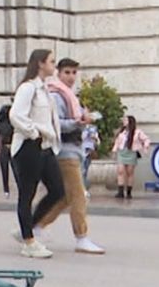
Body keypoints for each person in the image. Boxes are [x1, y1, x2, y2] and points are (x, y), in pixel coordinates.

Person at [33, 59, 105, 254]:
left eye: (74, 72)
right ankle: (81, 237)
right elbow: (56, 124)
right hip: (64, 151)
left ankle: (35, 226)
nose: (71, 77)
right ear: (58, 73)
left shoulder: (69, 95)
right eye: (67, 72)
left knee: (65, 197)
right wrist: (78, 122)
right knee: (79, 195)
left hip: (73, 149)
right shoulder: (57, 95)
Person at [8, 49, 64, 258]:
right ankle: (29, 243)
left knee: (58, 190)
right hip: (29, 146)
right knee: (27, 194)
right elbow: (16, 115)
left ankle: (27, 227)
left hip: (45, 147)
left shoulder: (44, 90)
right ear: (40, 64)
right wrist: (34, 133)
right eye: (52, 62)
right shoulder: (28, 88)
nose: (54, 66)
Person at [112, 114, 151, 199]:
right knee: (120, 171)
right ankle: (120, 191)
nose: (124, 122)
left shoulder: (138, 132)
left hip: (131, 152)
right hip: (122, 152)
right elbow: (117, 142)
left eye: (125, 120)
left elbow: (146, 139)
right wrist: (114, 151)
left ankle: (129, 192)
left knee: (130, 172)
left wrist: (145, 146)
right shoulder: (122, 132)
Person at [0, 105, 15, 199]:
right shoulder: (13, 123)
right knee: (15, 170)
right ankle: (10, 189)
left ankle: (6, 190)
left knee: (4, 170)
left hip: (4, 148)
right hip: (11, 147)